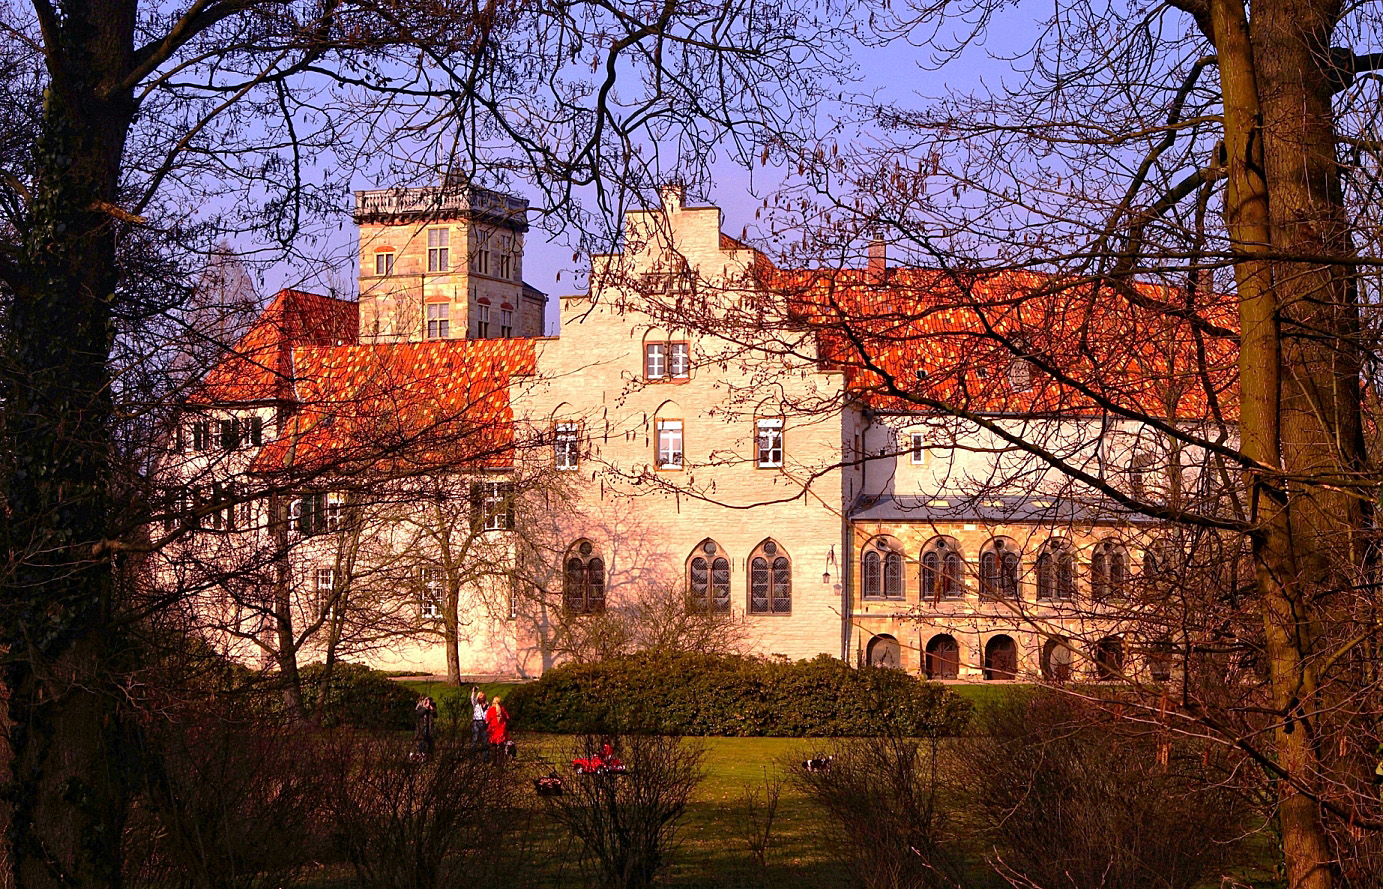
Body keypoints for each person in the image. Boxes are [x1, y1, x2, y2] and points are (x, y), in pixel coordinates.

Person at [485, 695, 510, 763]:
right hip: (501, 728)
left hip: (493, 729)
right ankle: (500, 760)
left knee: (494, 746)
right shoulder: (502, 709)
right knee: (501, 746)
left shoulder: (490, 709)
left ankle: (494, 761)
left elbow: (487, 720)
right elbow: (507, 717)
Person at [470, 686, 488, 756]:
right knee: (475, 738)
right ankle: (472, 755)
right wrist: (473, 692)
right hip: (476, 722)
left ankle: (485, 756)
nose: (481, 697)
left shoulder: (487, 704)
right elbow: (472, 699)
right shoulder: (476, 704)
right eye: (480, 696)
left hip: (484, 722)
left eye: (482, 696)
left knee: (484, 740)